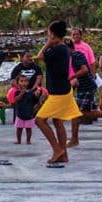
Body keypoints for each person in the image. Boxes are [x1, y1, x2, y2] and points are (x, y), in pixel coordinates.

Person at [35, 20, 83, 167]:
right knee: (57, 121)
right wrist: (52, 41)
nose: (48, 35)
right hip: (62, 90)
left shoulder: (57, 49)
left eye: (49, 33)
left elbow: (40, 56)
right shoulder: (62, 49)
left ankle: (57, 149)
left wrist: (49, 42)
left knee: (40, 120)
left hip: (59, 93)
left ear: (54, 34)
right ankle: (64, 154)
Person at [66, 38, 102, 146]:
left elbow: (85, 70)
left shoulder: (77, 56)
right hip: (84, 87)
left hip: (87, 87)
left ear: (68, 48)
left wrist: (72, 77)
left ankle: (74, 139)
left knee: (78, 113)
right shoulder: (73, 56)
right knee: (83, 113)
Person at [6, 74, 43, 149]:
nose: (23, 83)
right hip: (20, 114)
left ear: (28, 83)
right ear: (18, 83)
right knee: (19, 128)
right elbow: (16, 100)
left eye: (25, 81)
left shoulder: (30, 93)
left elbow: (35, 101)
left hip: (29, 114)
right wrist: (22, 93)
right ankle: (18, 140)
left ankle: (28, 140)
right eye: (21, 81)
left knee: (28, 128)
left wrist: (37, 95)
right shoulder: (17, 92)